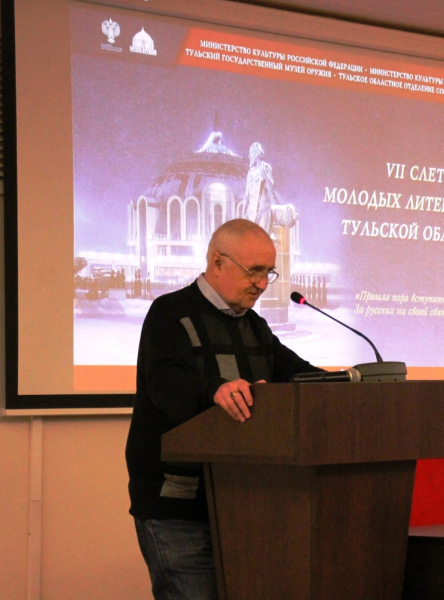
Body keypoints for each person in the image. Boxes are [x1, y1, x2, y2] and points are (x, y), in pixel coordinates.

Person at [125, 219, 322, 600]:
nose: (262, 284)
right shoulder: (170, 313)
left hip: (241, 506)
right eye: (254, 271)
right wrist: (215, 390)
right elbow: (166, 386)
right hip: (177, 507)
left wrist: (348, 382)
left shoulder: (254, 326)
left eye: (268, 272)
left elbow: (298, 374)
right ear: (217, 262)